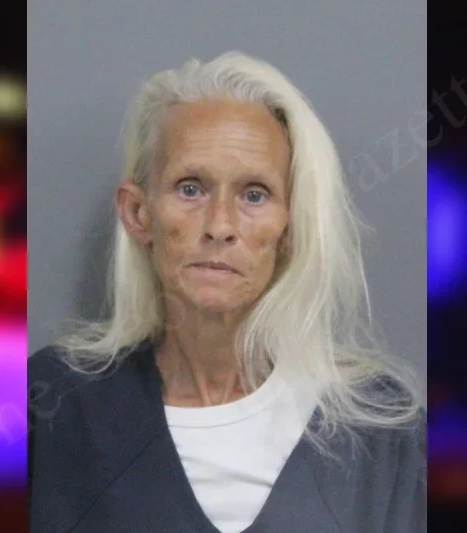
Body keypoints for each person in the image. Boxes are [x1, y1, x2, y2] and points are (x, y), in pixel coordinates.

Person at [28, 50, 426, 533]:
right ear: (139, 213)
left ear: (292, 226)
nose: (220, 225)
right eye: (190, 188)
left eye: (255, 194)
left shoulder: (381, 432)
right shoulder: (53, 409)